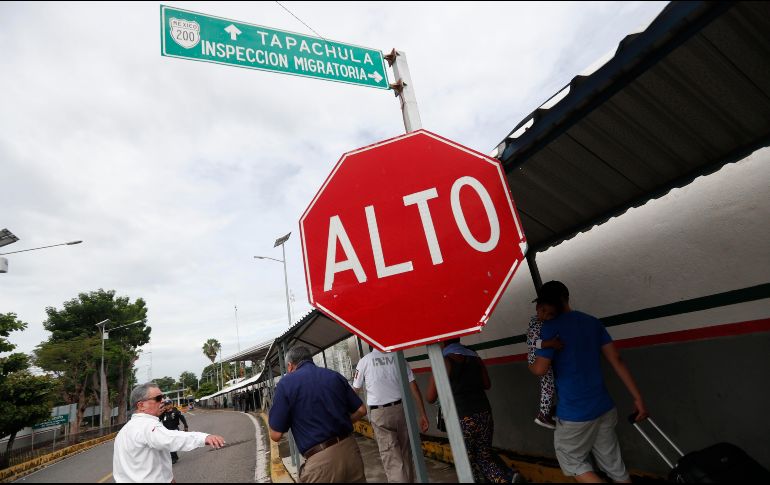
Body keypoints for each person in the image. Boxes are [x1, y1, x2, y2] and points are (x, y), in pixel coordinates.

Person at [529, 281, 649, 484]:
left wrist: (532, 359)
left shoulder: (550, 329)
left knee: (572, 460)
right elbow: (616, 360)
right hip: (604, 407)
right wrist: (638, 398)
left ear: (555, 303)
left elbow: (540, 369)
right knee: (613, 464)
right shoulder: (592, 322)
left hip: (575, 414)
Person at [426, 339, 521, 483]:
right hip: (483, 414)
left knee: (468, 465)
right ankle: (504, 480)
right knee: (485, 458)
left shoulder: (444, 361)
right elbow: (486, 384)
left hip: (462, 418)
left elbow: (430, 397)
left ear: (443, 342)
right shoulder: (474, 357)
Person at [269, 346, 368, 483]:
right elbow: (362, 410)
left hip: (320, 462)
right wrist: (342, 421)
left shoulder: (286, 384)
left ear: (290, 366)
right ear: (310, 359)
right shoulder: (334, 376)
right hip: (350, 451)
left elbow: (275, 435)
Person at [113, 383, 225, 483]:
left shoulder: (122, 432)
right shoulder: (146, 425)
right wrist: (204, 438)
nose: (163, 401)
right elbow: (171, 438)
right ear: (141, 405)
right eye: (158, 398)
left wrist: (169, 479)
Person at [352, 345, 430, 483]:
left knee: (392, 458)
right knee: (406, 454)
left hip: (379, 413)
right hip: (401, 410)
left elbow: (355, 392)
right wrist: (423, 414)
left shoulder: (365, 361)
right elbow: (414, 387)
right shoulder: (398, 357)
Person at [526, 303, 562, 429]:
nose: (547, 315)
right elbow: (534, 343)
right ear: (537, 308)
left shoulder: (538, 322)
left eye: (550, 314)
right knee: (548, 387)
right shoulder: (535, 324)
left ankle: (548, 412)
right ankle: (543, 415)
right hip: (536, 359)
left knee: (550, 385)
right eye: (544, 311)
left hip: (539, 358)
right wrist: (552, 343)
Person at [160, 399, 189, 464]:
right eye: (165, 405)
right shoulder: (163, 413)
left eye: (168, 404)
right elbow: (158, 420)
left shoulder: (176, 411)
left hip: (174, 429)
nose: (167, 406)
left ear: (171, 404)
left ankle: (174, 457)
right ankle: (174, 456)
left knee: (172, 444)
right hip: (166, 431)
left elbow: (182, 418)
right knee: (169, 444)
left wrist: (186, 426)